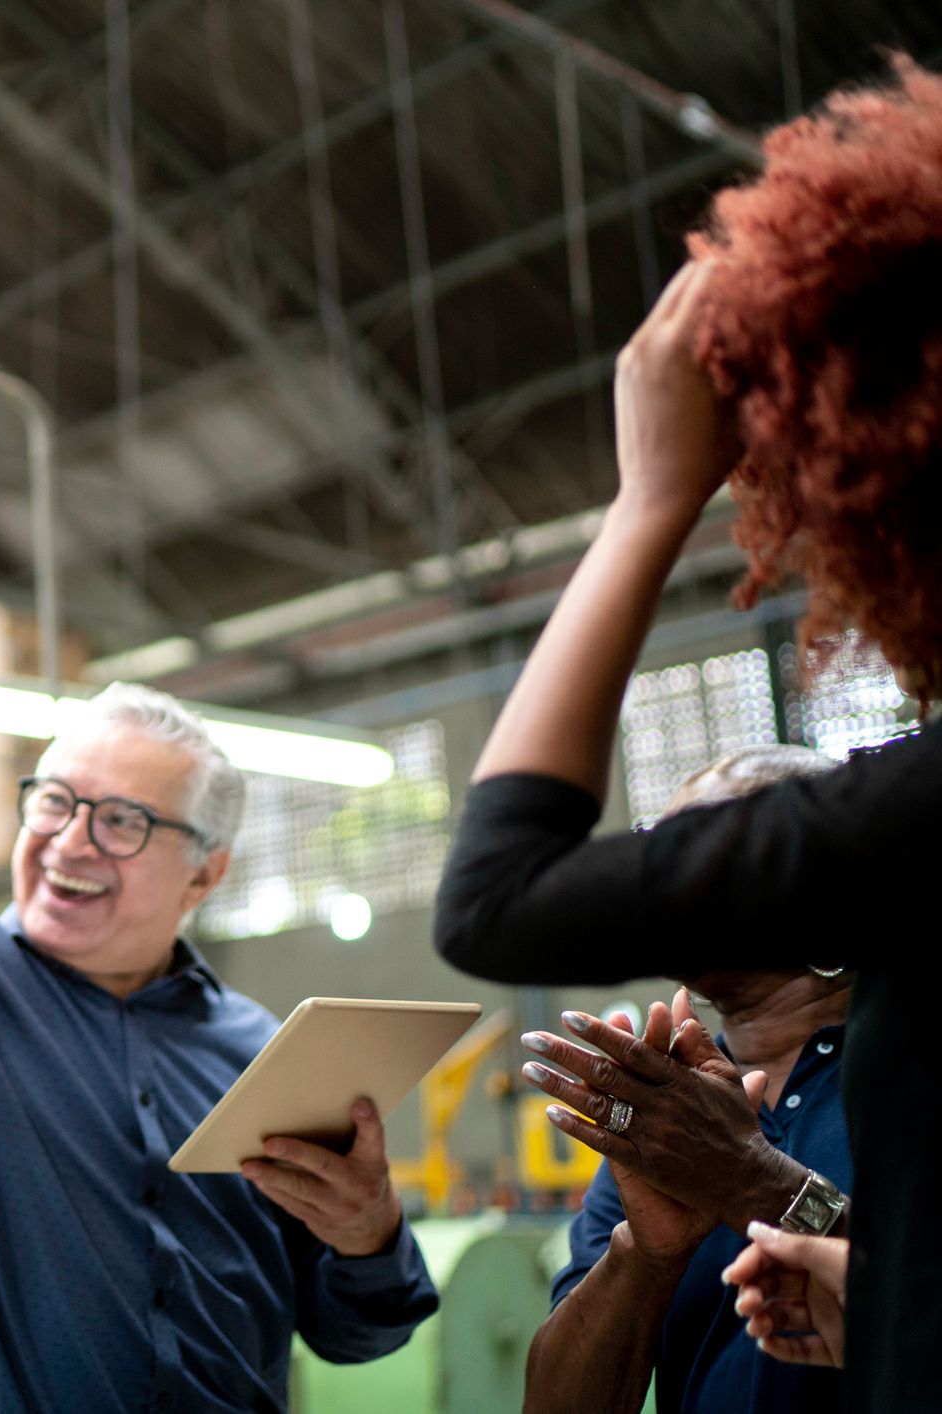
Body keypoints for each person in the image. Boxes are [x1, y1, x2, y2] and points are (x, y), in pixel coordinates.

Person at [0, 355, 436, 1413]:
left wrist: (368, 1234)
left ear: (206, 873)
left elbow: (358, 1337)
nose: (67, 841)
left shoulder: (264, 1061)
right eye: (51, 799)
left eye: (123, 820)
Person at [432, 56, 942, 1413]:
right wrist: (657, 1243)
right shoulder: (683, 1099)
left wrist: (653, 496)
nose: (665, 852)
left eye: (729, 835)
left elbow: (498, 895)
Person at [522, 746, 852, 1414]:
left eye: (708, 844)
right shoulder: (670, 1115)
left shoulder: (914, 1068)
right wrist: (645, 1256)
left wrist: (749, 1180)